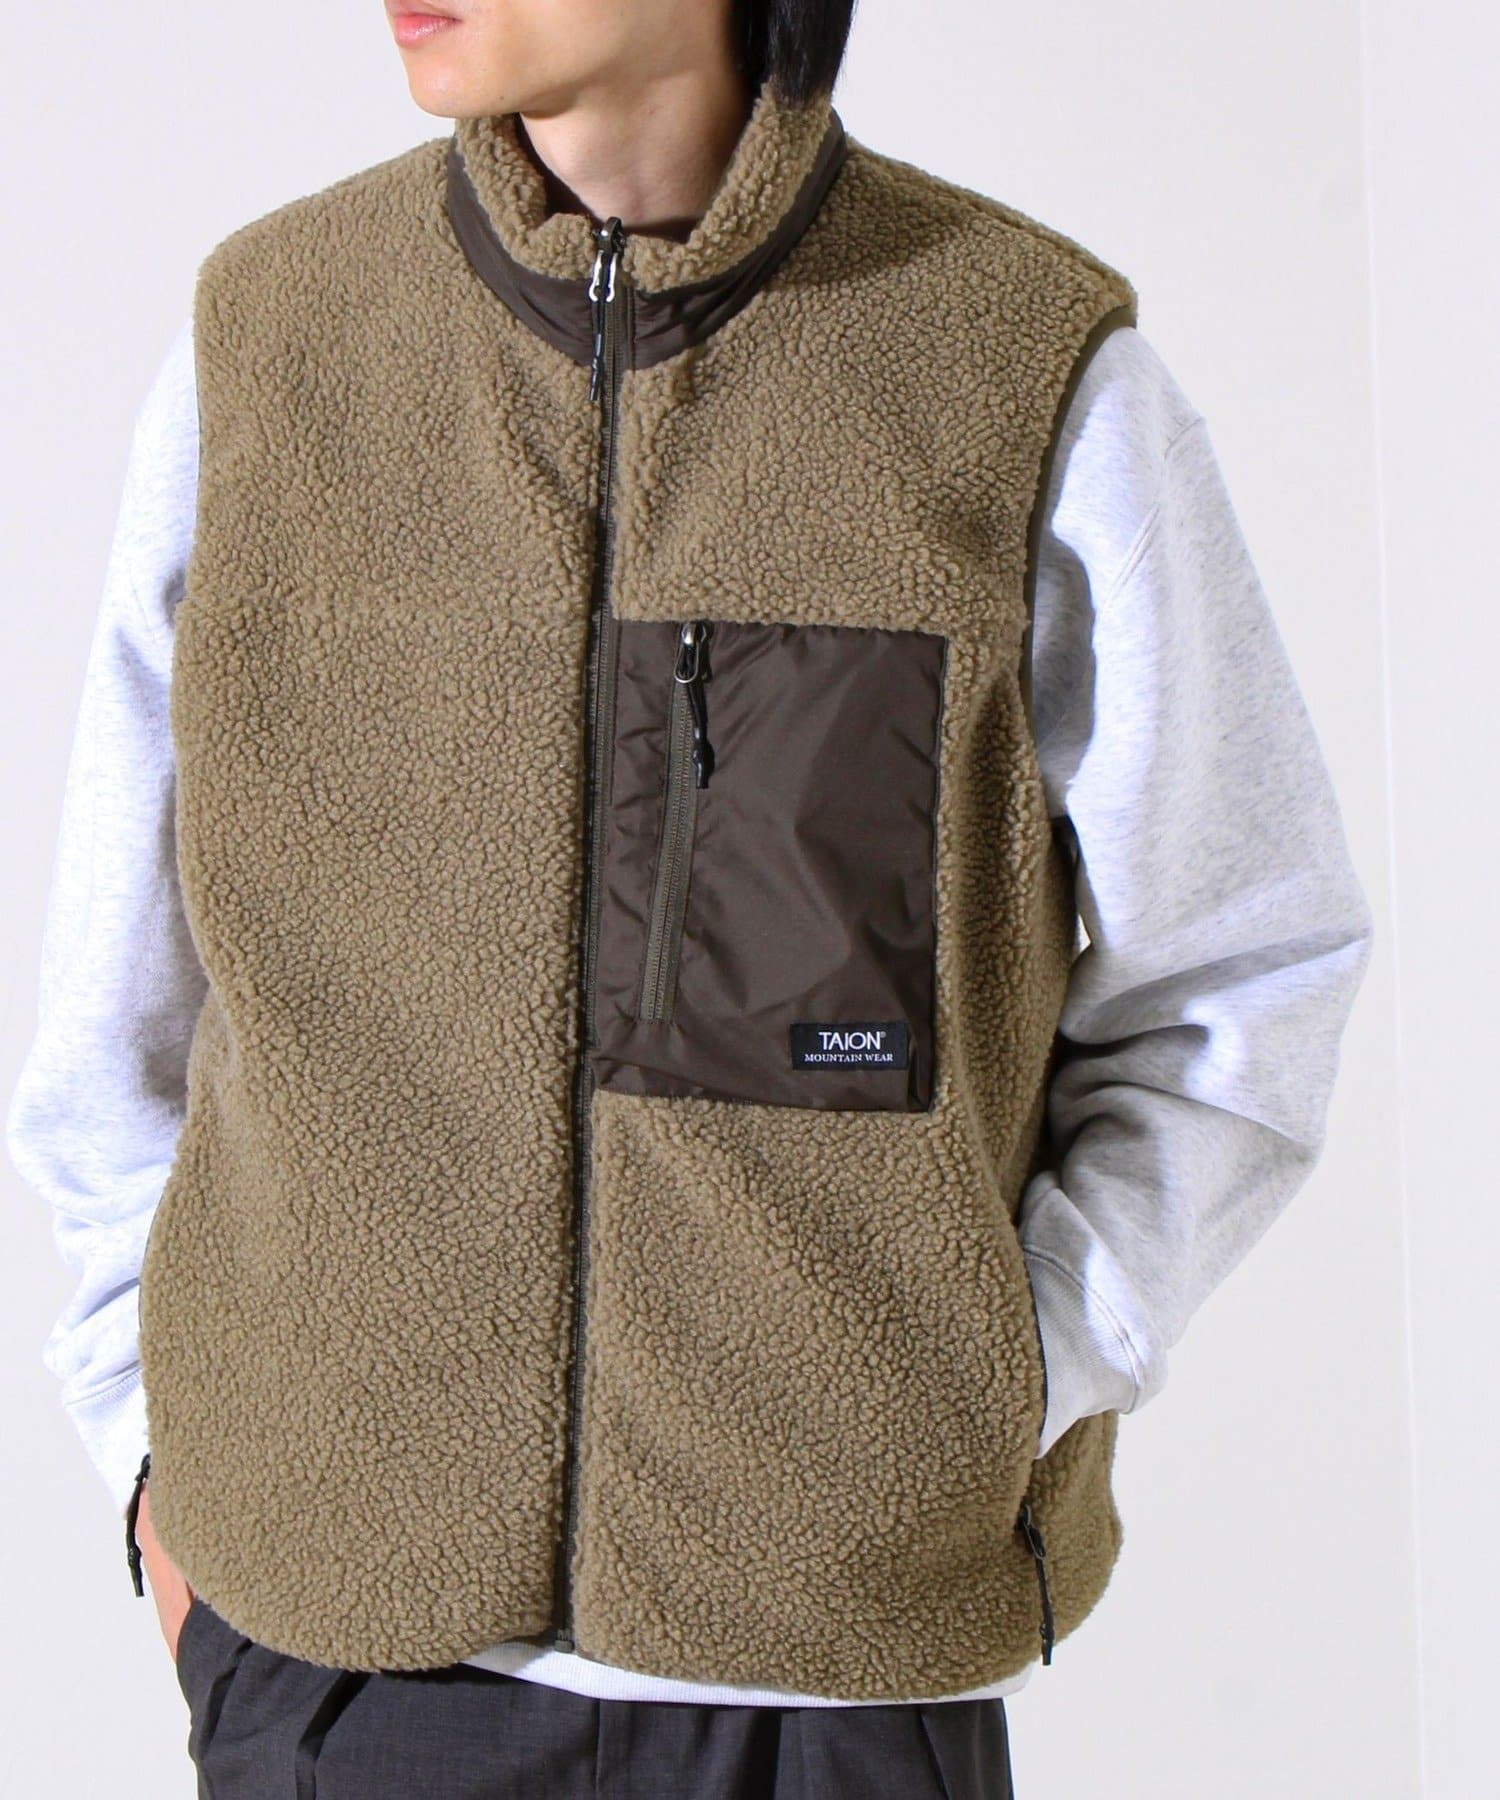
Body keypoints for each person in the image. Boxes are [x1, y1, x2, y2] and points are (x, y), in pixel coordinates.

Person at [5, 0, 1376, 1794]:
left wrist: (1011, 1372)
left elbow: (1245, 968)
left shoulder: (1012, 359)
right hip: (338, 1664)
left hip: (832, 1688)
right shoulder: (270, 342)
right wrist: (147, 1450)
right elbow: (123, 1002)